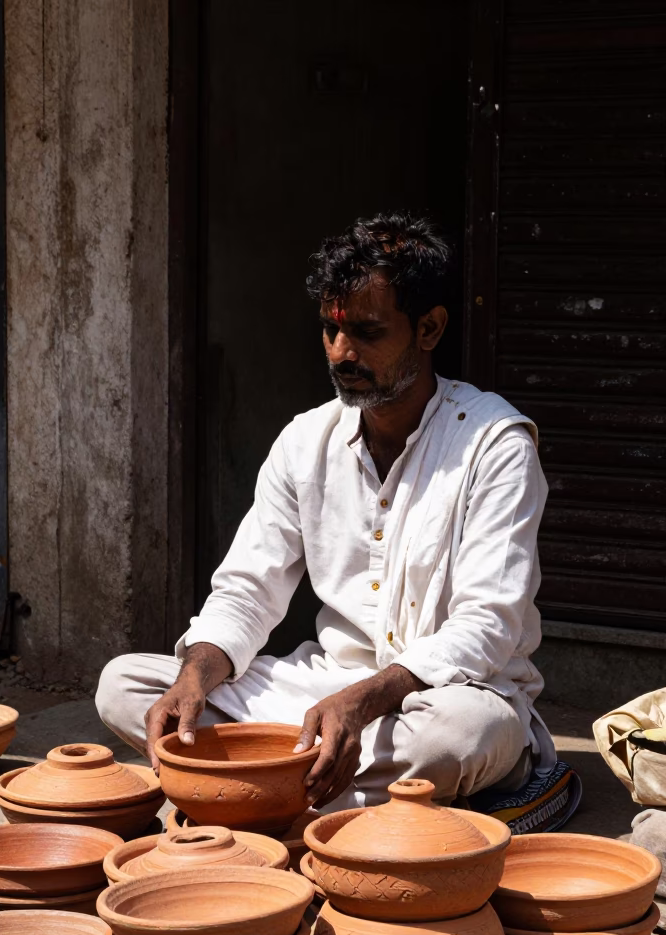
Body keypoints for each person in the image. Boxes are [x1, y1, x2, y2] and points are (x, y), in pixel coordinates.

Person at [96, 211, 557, 813]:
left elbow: (487, 627)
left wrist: (362, 703)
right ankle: (319, 786)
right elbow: (246, 591)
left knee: (460, 736)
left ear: (430, 328)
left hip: (442, 699)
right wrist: (196, 677)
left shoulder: (495, 445)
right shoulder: (303, 441)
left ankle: (266, 787)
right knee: (127, 686)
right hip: (319, 691)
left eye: (366, 332)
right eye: (330, 331)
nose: (342, 353)